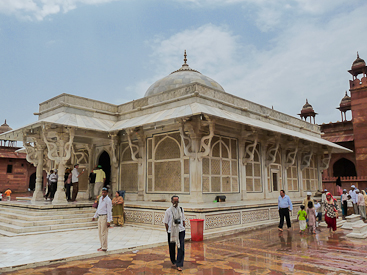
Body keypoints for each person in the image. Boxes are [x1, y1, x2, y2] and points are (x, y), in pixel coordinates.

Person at [163, 195, 186, 272]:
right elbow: (165, 222)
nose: (176, 203)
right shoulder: (168, 211)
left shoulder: (181, 209)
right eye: (174, 201)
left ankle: (179, 264)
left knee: (181, 247)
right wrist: (168, 231)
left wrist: (183, 228)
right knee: (172, 247)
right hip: (172, 231)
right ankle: (173, 260)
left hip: (180, 230)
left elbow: (183, 220)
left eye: (177, 201)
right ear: (172, 201)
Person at [92, 187, 112, 252]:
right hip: (100, 216)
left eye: (104, 192)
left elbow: (109, 211)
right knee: (100, 232)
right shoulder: (100, 198)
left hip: (104, 217)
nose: (103, 193)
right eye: (102, 192)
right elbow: (99, 208)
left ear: (107, 193)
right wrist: (95, 216)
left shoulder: (108, 200)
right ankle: (101, 245)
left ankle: (104, 247)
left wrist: (109, 221)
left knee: (104, 232)